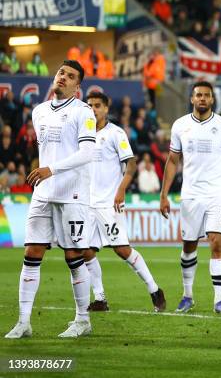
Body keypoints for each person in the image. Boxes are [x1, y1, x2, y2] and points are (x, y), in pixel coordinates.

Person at [5, 60, 97, 339]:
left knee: (73, 256)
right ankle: (23, 322)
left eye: (70, 76)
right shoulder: (39, 111)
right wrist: (46, 172)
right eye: (61, 73)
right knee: (31, 254)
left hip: (72, 194)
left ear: (77, 86)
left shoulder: (84, 112)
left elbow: (87, 153)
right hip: (43, 193)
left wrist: (51, 170)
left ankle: (83, 320)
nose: (63, 78)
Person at [160, 81, 221, 314]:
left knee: (217, 242)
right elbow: (173, 161)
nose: (202, 98)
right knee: (189, 244)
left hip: (217, 193)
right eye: (198, 95)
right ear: (192, 99)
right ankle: (187, 295)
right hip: (191, 194)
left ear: (212, 100)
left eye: (206, 95)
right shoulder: (181, 125)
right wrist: (164, 194)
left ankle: (219, 301)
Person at [81, 91, 166, 313]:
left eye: (97, 105)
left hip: (110, 202)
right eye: (89, 105)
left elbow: (131, 164)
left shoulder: (115, 134)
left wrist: (121, 190)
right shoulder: (83, 134)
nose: (93, 109)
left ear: (106, 108)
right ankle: (99, 298)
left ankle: (154, 289)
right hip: (86, 202)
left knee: (121, 249)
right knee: (85, 250)